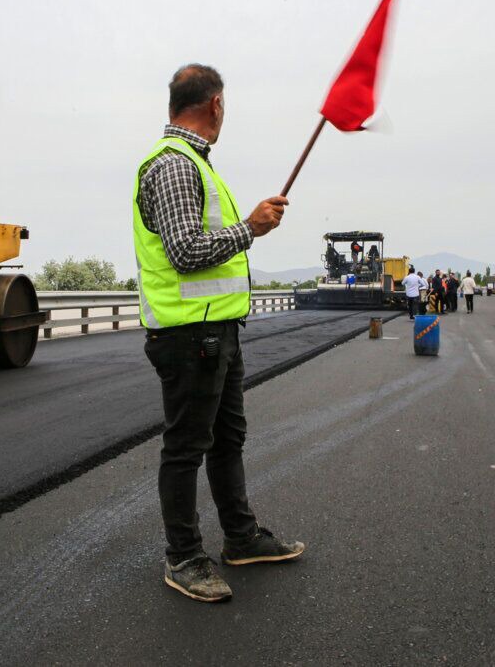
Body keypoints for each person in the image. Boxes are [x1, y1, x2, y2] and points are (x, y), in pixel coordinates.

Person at [135, 64, 303, 603]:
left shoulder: (197, 167)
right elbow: (185, 253)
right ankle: (183, 558)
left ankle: (241, 538)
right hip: (189, 336)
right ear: (215, 106)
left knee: (227, 439)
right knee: (186, 447)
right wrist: (250, 228)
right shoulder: (175, 167)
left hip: (217, 331)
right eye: (224, 106)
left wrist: (248, 228)